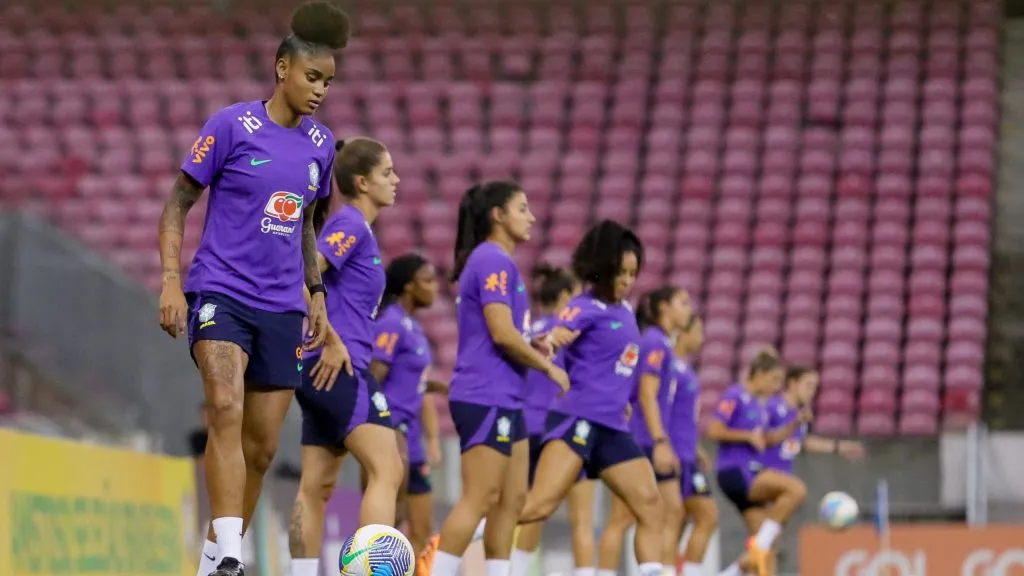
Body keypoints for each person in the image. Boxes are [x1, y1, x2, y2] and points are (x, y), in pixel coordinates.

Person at [156, 4, 350, 575]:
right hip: (220, 291)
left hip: (284, 306)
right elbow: (176, 207)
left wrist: (316, 292)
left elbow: (310, 226)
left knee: (262, 446)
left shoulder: (322, 144)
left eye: (329, 83)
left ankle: (216, 555)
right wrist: (172, 281)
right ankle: (232, 558)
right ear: (282, 67)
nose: (320, 90)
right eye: (312, 77)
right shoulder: (230, 126)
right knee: (223, 407)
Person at [419, 181, 570, 576]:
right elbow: (501, 333)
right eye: (522, 208)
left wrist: (531, 343)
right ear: (497, 215)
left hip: (508, 397)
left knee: (513, 500)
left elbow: (504, 332)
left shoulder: (501, 262)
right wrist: (549, 367)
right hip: (486, 394)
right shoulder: (492, 261)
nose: (532, 216)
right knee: (480, 496)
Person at [514, 220, 667, 576]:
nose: (628, 281)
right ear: (602, 270)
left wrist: (623, 398)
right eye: (621, 273)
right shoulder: (583, 306)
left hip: (613, 426)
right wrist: (550, 342)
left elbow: (619, 364)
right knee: (538, 507)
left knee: (650, 505)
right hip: (577, 420)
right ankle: (463, 537)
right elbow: (560, 333)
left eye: (633, 273)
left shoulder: (627, 312)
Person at [288, 137, 405, 576]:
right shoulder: (351, 224)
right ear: (362, 181)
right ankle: (375, 572)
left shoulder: (359, 228)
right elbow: (305, 276)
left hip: (320, 367)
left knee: (315, 486)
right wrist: (331, 338)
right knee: (387, 470)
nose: (396, 180)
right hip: (341, 365)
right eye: (387, 172)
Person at [596, 286, 695, 576]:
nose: (688, 308)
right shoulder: (654, 342)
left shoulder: (662, 343)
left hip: (648, 438)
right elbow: (647, 394)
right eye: (683, 302)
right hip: (641, 440)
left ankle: (661, 571)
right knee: (623, 516)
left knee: (672, 510)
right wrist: (661, 440)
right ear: (664, 308)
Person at [510, 264, 598, 576]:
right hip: (563, 429)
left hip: (526, 429)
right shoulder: (569, 336)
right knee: (582, 520)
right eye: (576, 298)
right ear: (563, 297)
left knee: (532, 511)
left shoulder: (527, 336)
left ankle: (512, 570)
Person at [367, 253, 448, 558]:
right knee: (390, 523)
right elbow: (374, 376)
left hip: (413, 439)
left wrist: (431, 387)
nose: (434, 288)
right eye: (427, 281)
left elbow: (404, 379)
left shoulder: (412, 326)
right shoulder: (391, 323)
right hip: (392, 431)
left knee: (422, 529)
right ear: (408, 287)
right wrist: (381, 428)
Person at [708, 348, 806, 576]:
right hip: (736, 471)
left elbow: (768, 439)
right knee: (795, 490)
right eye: (774, 380)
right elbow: (713, 429)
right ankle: (760, 542)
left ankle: (732, 571)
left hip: (748, 473)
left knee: (768, 547)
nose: (776, 386)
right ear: (759, 374)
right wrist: (746, 436)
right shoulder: (735, 395)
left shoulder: (759, 404)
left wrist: (793, 425)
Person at [762, 366, 865, 473]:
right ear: (792, 384)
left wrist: (840, 447)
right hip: (761, 473)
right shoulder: (771, 406)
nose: (812, 392)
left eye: (815, 387)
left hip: (783, 473)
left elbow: (800, 443)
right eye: (808, 386)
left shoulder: (800, 412)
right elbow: (763, 439)